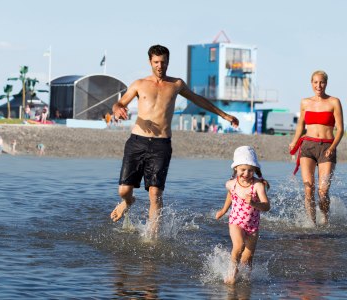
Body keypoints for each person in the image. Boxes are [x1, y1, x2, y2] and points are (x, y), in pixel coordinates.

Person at [110, 45, 239, 237]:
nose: (160, 66)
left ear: (168, 62)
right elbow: (119, 103)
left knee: (155, 193)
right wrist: (117, 109)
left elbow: (198, 100)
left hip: (161, 144)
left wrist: (224, 115)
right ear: (150, 62)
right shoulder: (139, 84)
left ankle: (152, 238)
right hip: (137, 141)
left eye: (163, 62)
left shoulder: (176, 84)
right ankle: (128, 202)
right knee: (123, 190)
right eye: (156, 62)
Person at [288, 70, 344, 225]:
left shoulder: (334, 102)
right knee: (308, 188)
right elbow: (300, 125)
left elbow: (340, 129)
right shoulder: (305, 102)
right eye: (315, 82)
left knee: (323, 190)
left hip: (327, 147)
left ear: (326, 83)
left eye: (322, 82)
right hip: (308, 146)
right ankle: (312, 223)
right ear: (311, 83)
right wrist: (294, 141)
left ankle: (325, 219)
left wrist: (333, 147)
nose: (318, 85)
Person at [215, 146, 270, 284]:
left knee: (247, 258)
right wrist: (223, 210)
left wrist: (254, 203)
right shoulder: (231, 184)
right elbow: (230, 195)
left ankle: (246, 281)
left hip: (253, 225)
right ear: (236, 169)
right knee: (238, 246)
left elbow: (267, 206)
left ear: (255, 170)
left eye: (250, 170)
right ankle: (231, 275)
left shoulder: (258, 186)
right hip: (236, 221)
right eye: (242, 170)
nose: (246, 173)